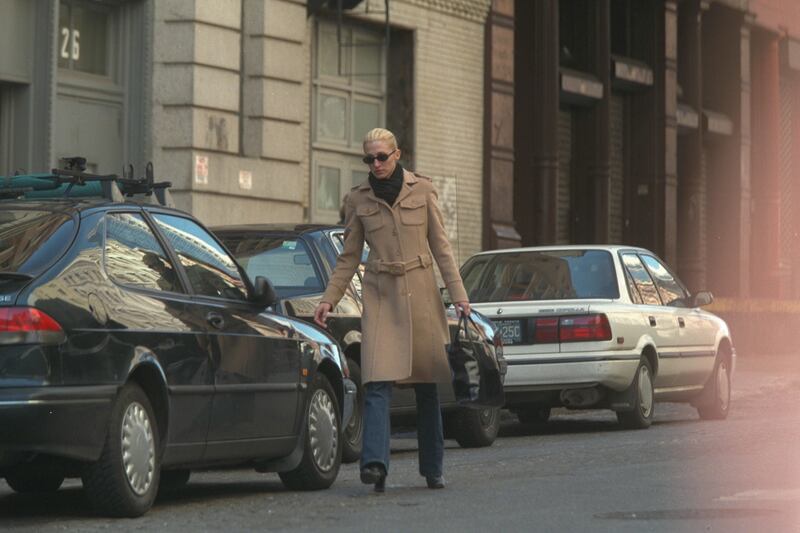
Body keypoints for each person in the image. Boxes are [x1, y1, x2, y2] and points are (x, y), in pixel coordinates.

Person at [313, 128, 470, 492]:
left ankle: (433, 468)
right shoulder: (358, 199)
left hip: (421, 295)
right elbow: (349, 257)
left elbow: (442, 248)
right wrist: (328, 299)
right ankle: (375, 465)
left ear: (397, 155)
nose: (376, 164)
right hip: (381, 296)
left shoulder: (423, 190)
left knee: (426, 385)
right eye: (369, 159)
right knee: (377, 380)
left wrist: (459, 295)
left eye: (382, 157)